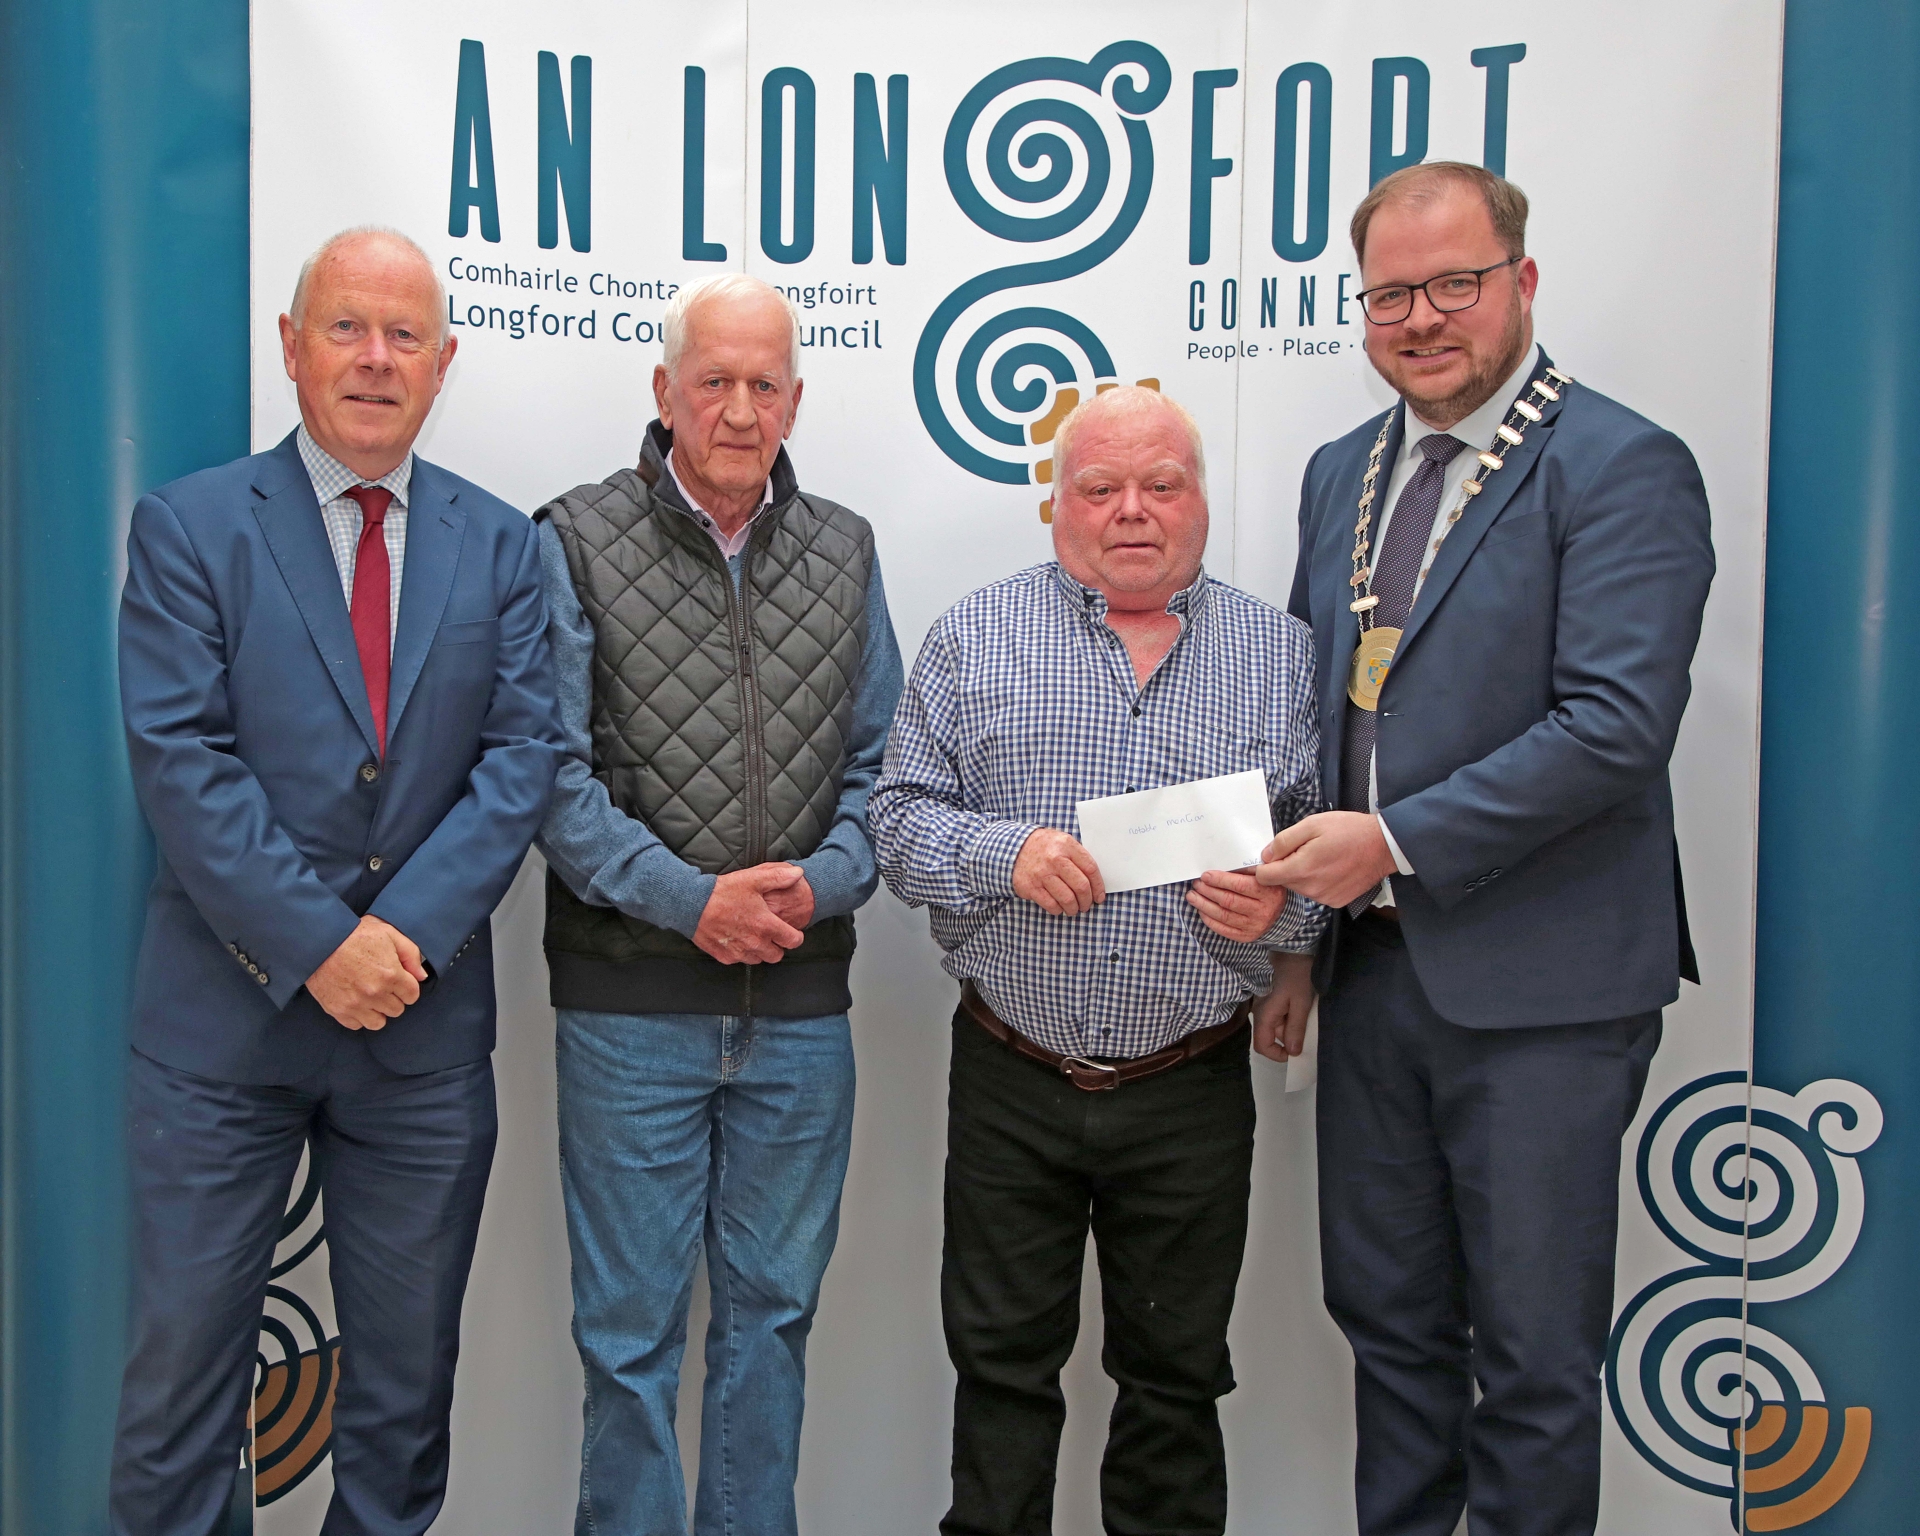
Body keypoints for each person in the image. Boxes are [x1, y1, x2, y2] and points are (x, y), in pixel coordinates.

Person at [1260, 162, 1715, 1536]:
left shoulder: (1622, 465)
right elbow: (1317, 715)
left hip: (1544, 996)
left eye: (1453, 284)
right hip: (1376, 980)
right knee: (1389, 1331)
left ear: (1522, 281)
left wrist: (1394, 841)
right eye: (1390, 294)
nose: (1420, 319)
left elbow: (1616, 726)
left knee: (1530, 1359)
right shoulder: (1341, 473)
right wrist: (1300, 942)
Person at [110, 227, 562, 1534]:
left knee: (403, 1408)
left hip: (419, 1041)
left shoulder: (502, 547)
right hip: (220, 1037)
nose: (375, 359)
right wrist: (320, 944)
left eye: (404, 335)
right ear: (292, 347)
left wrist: (393, 940)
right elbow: (182, 762)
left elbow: (522, 760)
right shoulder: (191, 527)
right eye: (347, 328)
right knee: (181, 1398)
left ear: (443, 363)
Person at [869, 385, 1325, 1536]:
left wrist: (1277, 916)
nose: (1133, 511)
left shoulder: (1281, 657)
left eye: (1161, 485)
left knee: (1176, 1386)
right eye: (1101, 487)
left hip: (1190, 1087)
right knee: (1000, 1374)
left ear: (1200, 501)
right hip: (1011, 1076)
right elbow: (898, 826)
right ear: (1057, 504)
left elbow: (1327, 864)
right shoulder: (973, 636)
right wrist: (1005, 853)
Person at [534, 272, 904, 1536]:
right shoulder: (573, 537)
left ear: (795, 398)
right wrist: (690, 904)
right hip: (631, 1014)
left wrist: (824, 881)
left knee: (772, 1324)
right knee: (629, 1339)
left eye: (764, 384)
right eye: (714, 382)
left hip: (798, 1015)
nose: (740, 410)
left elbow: (883, 771)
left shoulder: (846, 547)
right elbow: (549, 776)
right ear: (664, 392)